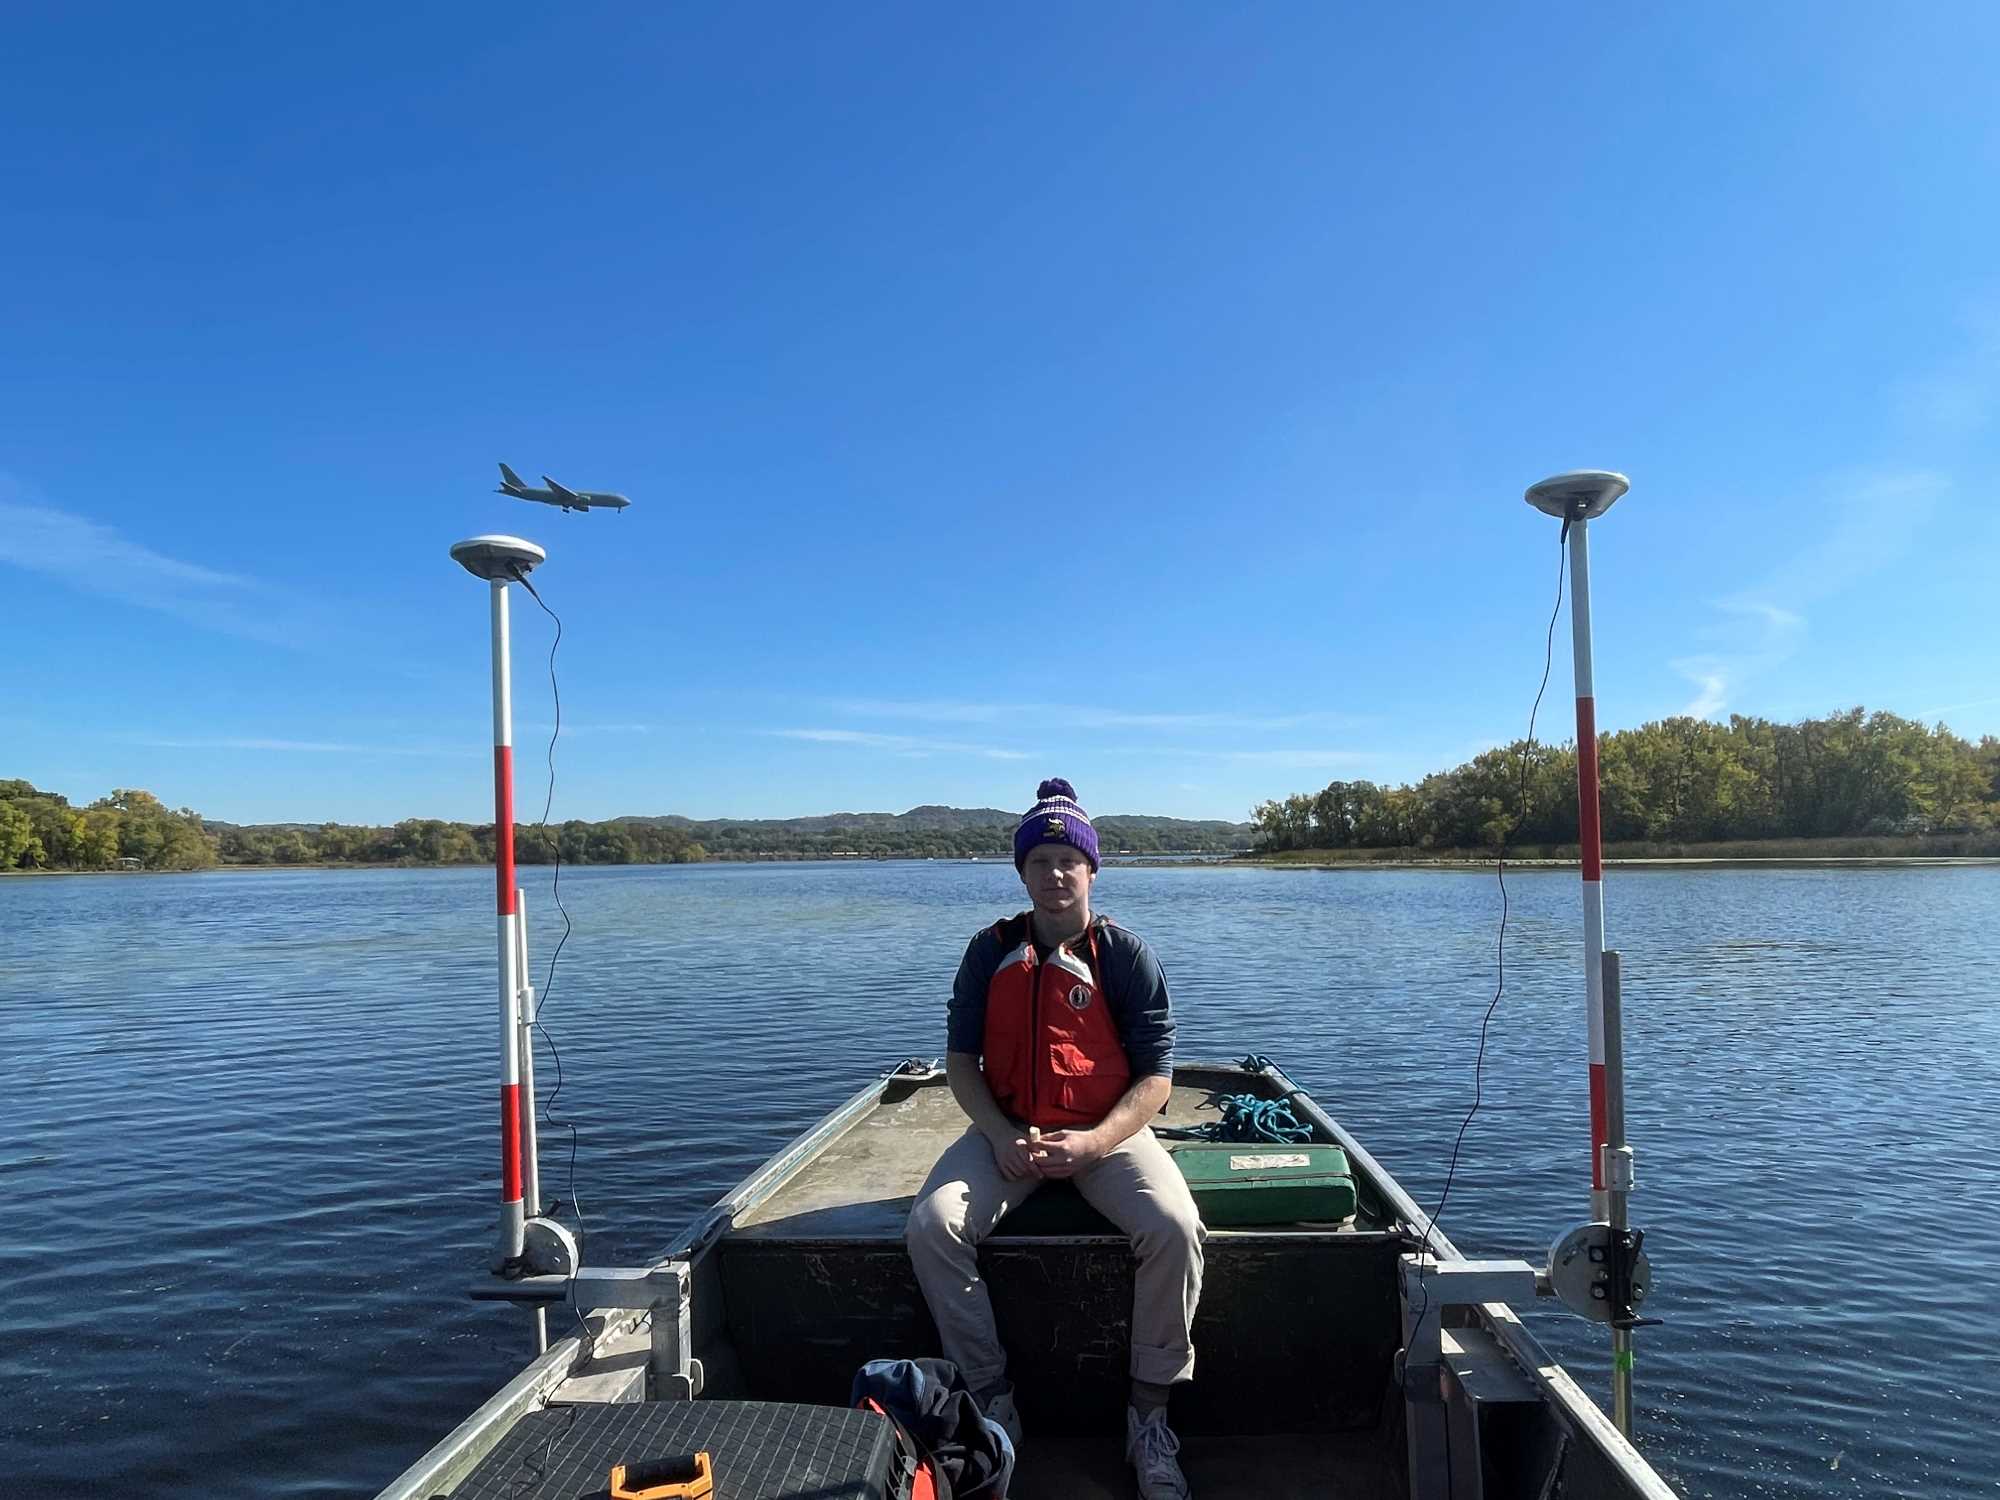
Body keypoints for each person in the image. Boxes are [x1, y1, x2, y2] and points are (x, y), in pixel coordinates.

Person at [904, 778, 1203, 1500]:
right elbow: (961, 1066)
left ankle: (1148, 1419)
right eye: (1040, 861)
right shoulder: (989, 952)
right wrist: (1001, 1135)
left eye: (1070, 859)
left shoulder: (1126, 957)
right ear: (1022, 873)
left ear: (1093, 869)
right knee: (932, 1226)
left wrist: (1098, 1143)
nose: (1056, 874)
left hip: (1106, 1134)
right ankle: (994, 1406)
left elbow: (1156, 1080)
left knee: (1176, 1227)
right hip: (1010, 1134)